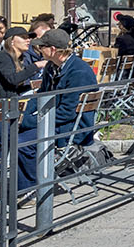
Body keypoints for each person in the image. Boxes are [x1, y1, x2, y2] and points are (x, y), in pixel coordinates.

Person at [16, 29, 98, 193]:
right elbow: (41, 96)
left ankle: (30, 190)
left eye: (41, 47)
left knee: (22, 143)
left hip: (73, 128)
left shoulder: (78, 72)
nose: (38, 50)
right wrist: (22, 116)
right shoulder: (53, 66)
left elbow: (67, 113)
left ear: (52, 49)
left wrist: (27, 121)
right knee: (0, 132)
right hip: (57, 121)